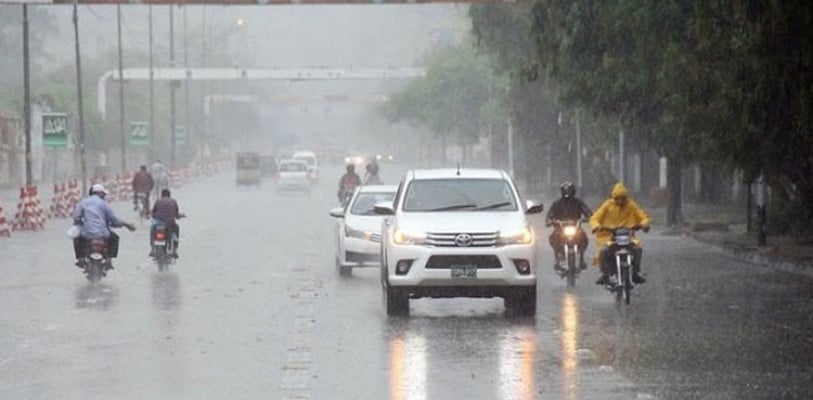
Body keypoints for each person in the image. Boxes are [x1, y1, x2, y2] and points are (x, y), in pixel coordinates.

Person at [590, 182, 651, 285]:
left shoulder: (631, 205)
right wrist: (597, 226)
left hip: (628, 237)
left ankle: (635, 272)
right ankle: (605, 274)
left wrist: (643, 224)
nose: (620, 201)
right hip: (610, 237)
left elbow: (643, 217)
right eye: (618, 198)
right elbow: (595, 218)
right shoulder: (607, 205)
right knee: (603, 252)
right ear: (614, 197)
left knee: (637, 249)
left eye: (623, 198)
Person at [72, 184, 136, 268]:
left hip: (87, 234)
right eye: (103, 194)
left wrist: (80, 224)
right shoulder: (104, 204)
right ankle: (109, 260)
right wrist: (127, 225)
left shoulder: (83, 203)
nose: (104, 196)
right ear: (100, 194)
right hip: (103, 234)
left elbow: (76, 217)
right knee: (115, 238)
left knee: (77, 239)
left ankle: (80, 259)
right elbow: (114, 220)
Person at [545, 181, 593, 273]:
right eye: (565, 191)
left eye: (569, 191)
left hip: (576, 228)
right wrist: (550, 221)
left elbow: (587, 212)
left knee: (584, 239)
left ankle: (581, 259)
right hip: (560, 229)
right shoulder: (557, 203)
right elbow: (549, 215)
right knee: (553, 238)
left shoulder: (578, 202)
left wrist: (588, 218)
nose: (567, 193)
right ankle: (558, 258)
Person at [151, 188, 184, 257]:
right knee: (176, 230)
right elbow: (176, 215)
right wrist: (181, 216)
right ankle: (175, 249)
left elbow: (153, 213)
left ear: (162, 195)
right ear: (169, 195)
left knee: (152, 230)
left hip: (159, 224)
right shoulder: (173, 201)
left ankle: (152, 249)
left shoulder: (158, 201)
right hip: (170, 224)